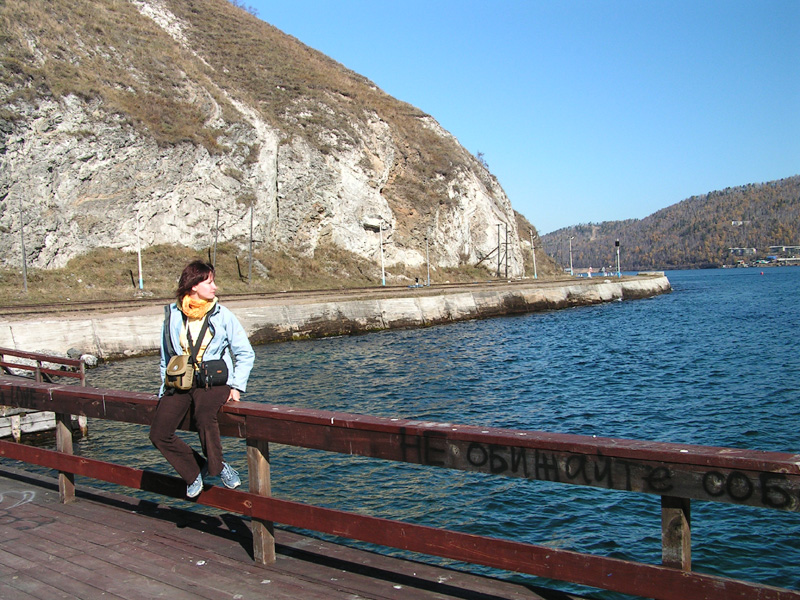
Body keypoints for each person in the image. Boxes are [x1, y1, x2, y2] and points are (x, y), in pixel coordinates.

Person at [149, 260, 255, 498]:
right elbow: (166, 356)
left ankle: (219, 468)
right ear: (193, 285)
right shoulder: (173, 314)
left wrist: (237, 386)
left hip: (214, 382)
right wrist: (163, 388)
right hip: (181, 382)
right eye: (209, 282)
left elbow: (245, 353)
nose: (215, 287)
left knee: (205, 416)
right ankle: (195, 470)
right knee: (158, 433)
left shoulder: (222, 314)